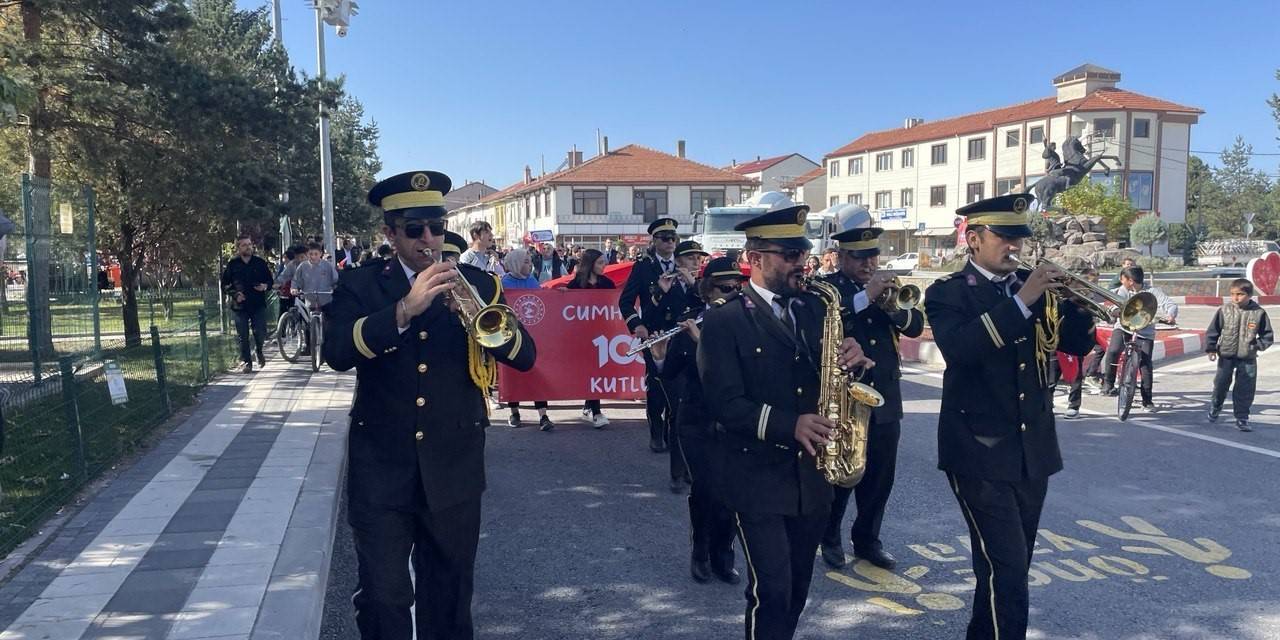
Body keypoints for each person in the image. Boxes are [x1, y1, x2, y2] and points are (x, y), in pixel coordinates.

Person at [324, 170, 536, 640]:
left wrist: (482, 320)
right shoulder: (361, 285)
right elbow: (336, 352)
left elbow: (525, 356)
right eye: (415, 229)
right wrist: (404, 310)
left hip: (454, 464)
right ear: (390, 233)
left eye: (437, 228)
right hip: (381, 467)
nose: (429, 239)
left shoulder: (478, 282)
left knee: (450, 593)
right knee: (384, 596)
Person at [924, 194, 1096, 640]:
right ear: (974, 238)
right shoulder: (948, 293)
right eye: (1004, 237)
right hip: (978, 451)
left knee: (1002, 568)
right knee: (1009, 569)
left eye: (1019, 237)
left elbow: (1075, 346)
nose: (1014, 246)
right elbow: (961, 350)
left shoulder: (1029, 287)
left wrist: (1075, 303)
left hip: (1032, 451)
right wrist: (1024, 298)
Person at [699, 203, 872, 640]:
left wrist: (855, 363)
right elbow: (724, 404)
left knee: (797, 590)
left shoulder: (817, 310)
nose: (802, 263)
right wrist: (787, 424)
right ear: (754, 259)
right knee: (772, 591)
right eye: (790, 254)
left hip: (812, 477)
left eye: (803, 253)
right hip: (754, 476)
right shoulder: (724, 320)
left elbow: (831, 378)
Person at [818, 225, 924, 571]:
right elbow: (823, 321)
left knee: (880, 476)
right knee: (843, 472)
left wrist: (891, 304)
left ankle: (867, 539)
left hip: (886, 394)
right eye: (860, 258)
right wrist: (866, 296)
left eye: (873, 257)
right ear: (842, 257)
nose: (868, 264)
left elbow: (914, 325)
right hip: (847, 394)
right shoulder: (827, 288)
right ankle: (829, 534)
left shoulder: (888, 288)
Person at [651, 256, 743, 586]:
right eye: (724, 287)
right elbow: (672, 373)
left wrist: (700, 342)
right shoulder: (689, 321)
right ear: (706, 291)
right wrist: (660, 357)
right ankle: (701, 553)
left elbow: (738, 372)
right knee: (706, 489)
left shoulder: (748, 325)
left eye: (737, 287)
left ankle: (724, 557)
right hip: (696, 419)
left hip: (734, 421)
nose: (732, 292)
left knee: (731, 493)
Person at [619, 218, 682, 454]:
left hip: (681, 331)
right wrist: (637, 325)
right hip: (654, 333)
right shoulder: (643, 267)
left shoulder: (684, 262)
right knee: (656, 385)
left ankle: (672, 430)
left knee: (679, 384)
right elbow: (626, 302)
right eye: (665, 238)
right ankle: (656, 432)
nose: (670, 243)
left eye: (673, 238)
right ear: (654, 241)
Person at [653, 239, 708, 492]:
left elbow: (709, 307)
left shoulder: (705, 286)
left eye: (699, 258)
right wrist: (662, 293)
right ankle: (677, 472)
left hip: (702, 356)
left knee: (699, 415)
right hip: (677, 356)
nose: (696, 262)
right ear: (678, 261)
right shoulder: (667, 285)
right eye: (690, 258)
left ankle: (693, 469)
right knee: (678, 414)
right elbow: (655, 319)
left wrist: (693, 284)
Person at [1100, 265, 1178, 412]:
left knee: (1145, 364)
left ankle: (1147, 400)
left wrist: (1171, 315)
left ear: (1130, 280)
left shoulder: (1152, 292)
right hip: (1123, 327)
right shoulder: (1123, 290)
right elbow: (1110, 302)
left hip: (1145, 332)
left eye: (1122, 278)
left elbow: (1169, 304)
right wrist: (1114, 311)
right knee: (1113, 350)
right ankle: (1108, 385)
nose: (1120, 281)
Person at [1205, 278, 1273, 431]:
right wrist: (1211, 349)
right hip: (1226, 355)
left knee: (1245, 388)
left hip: (1247, 358)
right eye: (1233, 294)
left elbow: (1267, 336)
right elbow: (1213, 331)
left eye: (1240, 294)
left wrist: (1256, 346)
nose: (1235, 298)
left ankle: (1242, 418)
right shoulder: (1224, 310)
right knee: (1220, 384)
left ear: (1249, 295)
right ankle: (1216, 407)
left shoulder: (1258, 313)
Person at [498, 247, 553, 430]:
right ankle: (514, 412)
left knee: (537, 372)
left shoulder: (532, 281)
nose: (530, 265)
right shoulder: (503, 283)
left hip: (533, 333)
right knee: (513, 372)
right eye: (527, 262)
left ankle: (543, 415)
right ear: (516, 263)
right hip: (512, 335)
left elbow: (542, 302)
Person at [567, 248, 617, 428]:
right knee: (589, 371)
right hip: (582, 335)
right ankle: (593, 409)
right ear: (590, 264)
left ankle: (592, 408)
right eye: (600, 263)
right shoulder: (576, 285)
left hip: (603, 335)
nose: (604, 266)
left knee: (597, 370)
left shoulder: (608, 284)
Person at [220, 234, 274, 373]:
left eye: (249, 244)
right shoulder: (233, 264)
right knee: (242, 335)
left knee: (260, 332)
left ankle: (259, 350)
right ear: (238, 248)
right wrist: (235, 294)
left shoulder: (260, 263)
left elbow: (270, 281)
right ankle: (246, 362)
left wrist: (264, 286)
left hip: (257, 305)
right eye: (244, 245)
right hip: (240, 306)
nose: (248, 247)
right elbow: (225, 284)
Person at [1064, 265, 1106, 418]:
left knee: (1076, 372)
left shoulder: (1094, 296)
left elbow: (1102, 309)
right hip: (1059, 336)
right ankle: (1046, 405)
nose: (1091, 286)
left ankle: (1074, 405)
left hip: (1079, 337)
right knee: (1051, 374)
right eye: (1088, 282)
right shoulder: (1067, 292)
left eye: (1094, 282)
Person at [293, 241, 340, 308]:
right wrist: (294, 288)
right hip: (309, 301)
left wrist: (335, 288)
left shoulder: (328, 266)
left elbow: (335, 279)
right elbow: (296, 280)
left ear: (320, 254)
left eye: (316, 254)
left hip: (325, 301)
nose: (313, 257)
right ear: (307, 254)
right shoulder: (302, 266)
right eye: (310, 254)